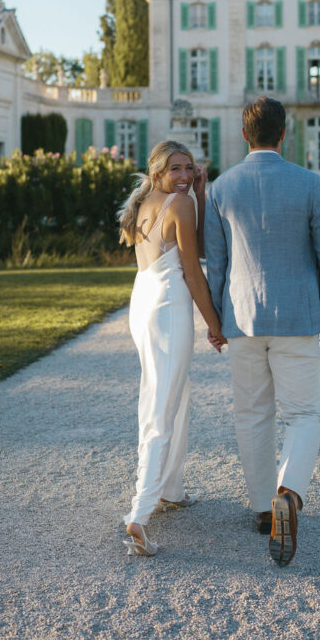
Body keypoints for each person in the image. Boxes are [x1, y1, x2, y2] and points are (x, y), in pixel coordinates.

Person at [204, 97, 320, 566]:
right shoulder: (308, 183)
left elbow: (217, 266)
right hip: (297, 318)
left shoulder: (222, 188)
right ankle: (291, 491)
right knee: (305, 414)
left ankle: (265, 509)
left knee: (252, 415)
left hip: (242, 320)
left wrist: (215, 322)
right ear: (284, 134)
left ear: (245, 135)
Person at [118, 139, 226, 557]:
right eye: (176, 169)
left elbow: (191, 243)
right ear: (158, 171)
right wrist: (215, 325)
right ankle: (139, 514)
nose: (183, 175)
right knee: (161, 408)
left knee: (172, 396)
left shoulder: (150, 200)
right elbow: (194, 271)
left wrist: (198, 192)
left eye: (189, 168)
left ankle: (171, 491)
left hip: (143, 301)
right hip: (166, 307)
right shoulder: (178, 205)